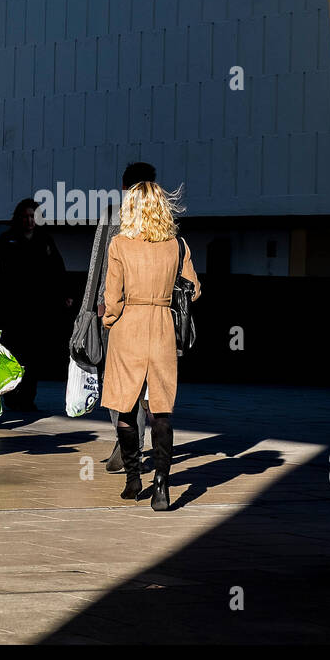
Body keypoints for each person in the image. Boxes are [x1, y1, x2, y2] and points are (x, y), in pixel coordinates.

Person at [101, 181, 201, 511]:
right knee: (160, 409)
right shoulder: (177, 244)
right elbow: (194, 289)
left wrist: (108, 321)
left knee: (125, 406)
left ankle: (133, 479)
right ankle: (162, 484)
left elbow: (112, 298)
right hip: (161, 328)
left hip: (128, 325)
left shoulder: (119, 244)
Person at [88, 162, 157, 474]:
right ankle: (127, 440)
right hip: (120, 311)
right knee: (123, 382)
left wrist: (93, 304)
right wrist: (90, 308)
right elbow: (98, 261)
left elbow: (95, 265)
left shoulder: (157, 221)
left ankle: (130, 443)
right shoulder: (119, 215)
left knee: (126, 381)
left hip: (122, 312)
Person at [0, 198, 74, 411]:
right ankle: (11, 394)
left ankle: (28, 397)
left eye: (32, 217)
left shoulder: (44, 241)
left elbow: (58, 269)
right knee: (14, 353)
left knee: (34, 356)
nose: (29, 221)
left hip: (38, 309)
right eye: (25, 217)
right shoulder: (7, 239)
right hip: (13, 309)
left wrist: (65, 294)